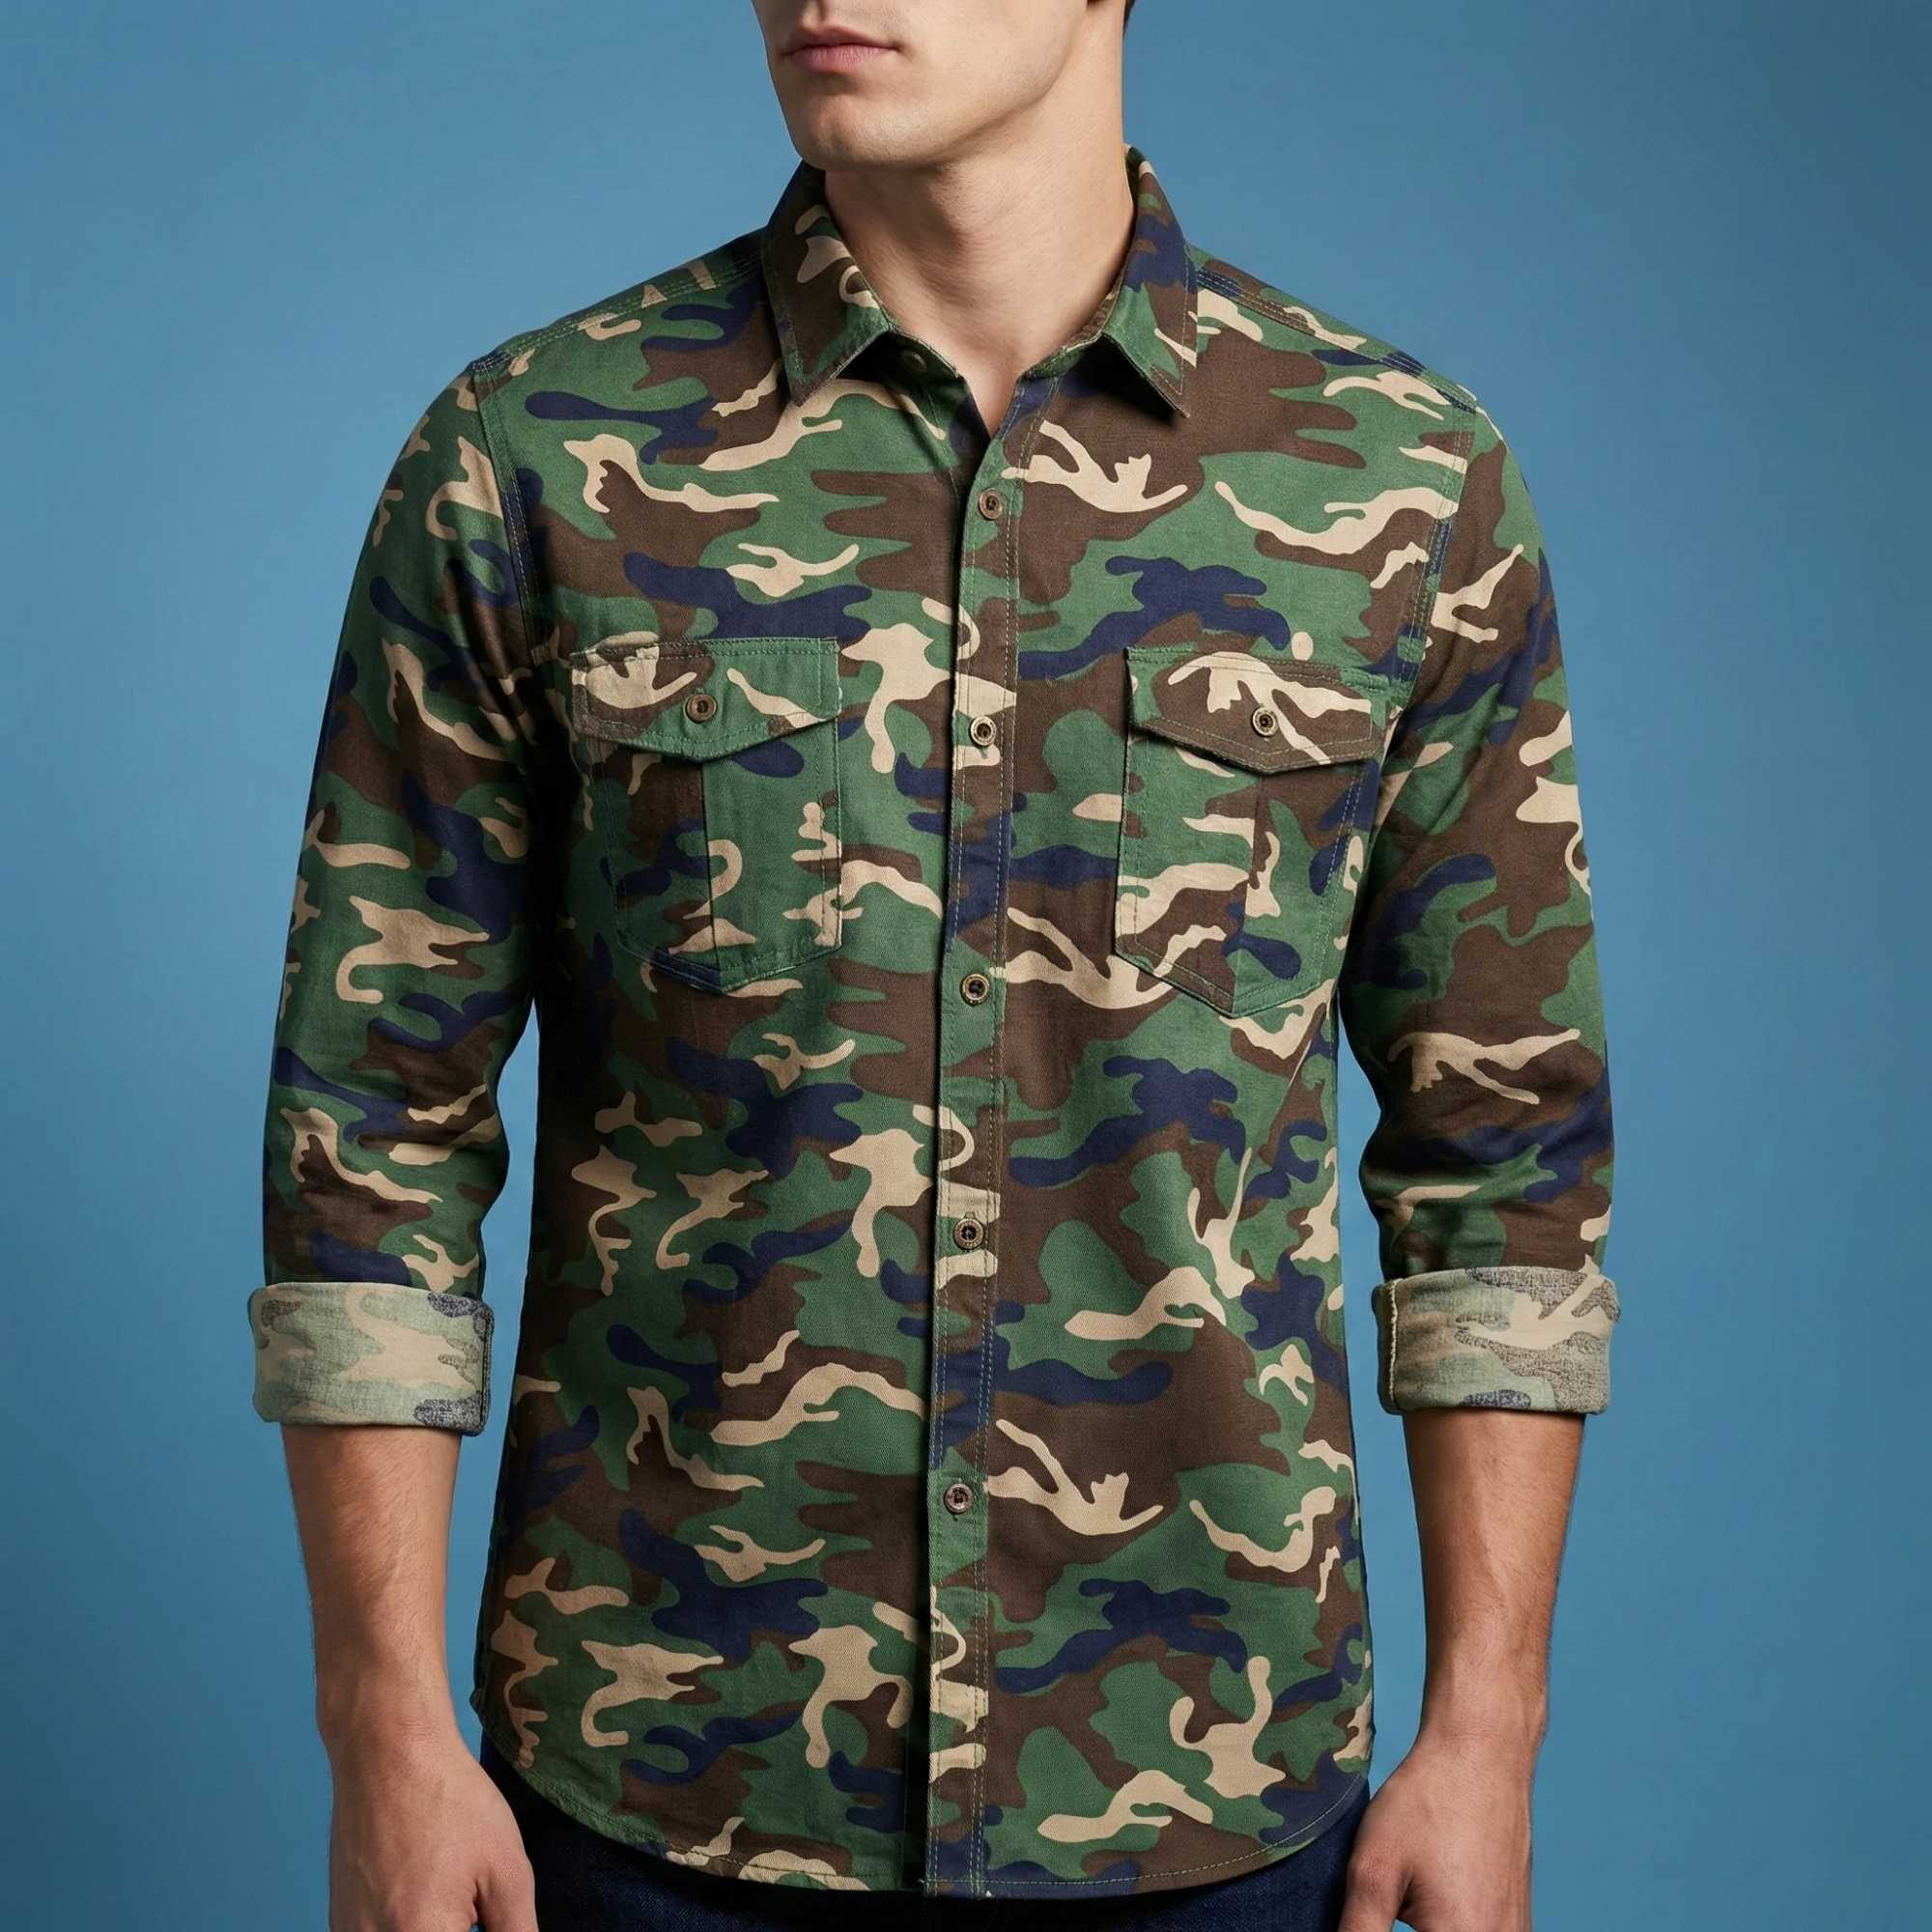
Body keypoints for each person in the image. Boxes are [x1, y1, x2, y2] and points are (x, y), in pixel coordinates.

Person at [248, 2, 1619, 1927]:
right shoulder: (530, 459)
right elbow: (371, 1130)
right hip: (658, 1799)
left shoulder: (1407, 488)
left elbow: (1506, 1162)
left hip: (1212, 1801)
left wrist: (1491, 1733)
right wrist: (379, 1726)